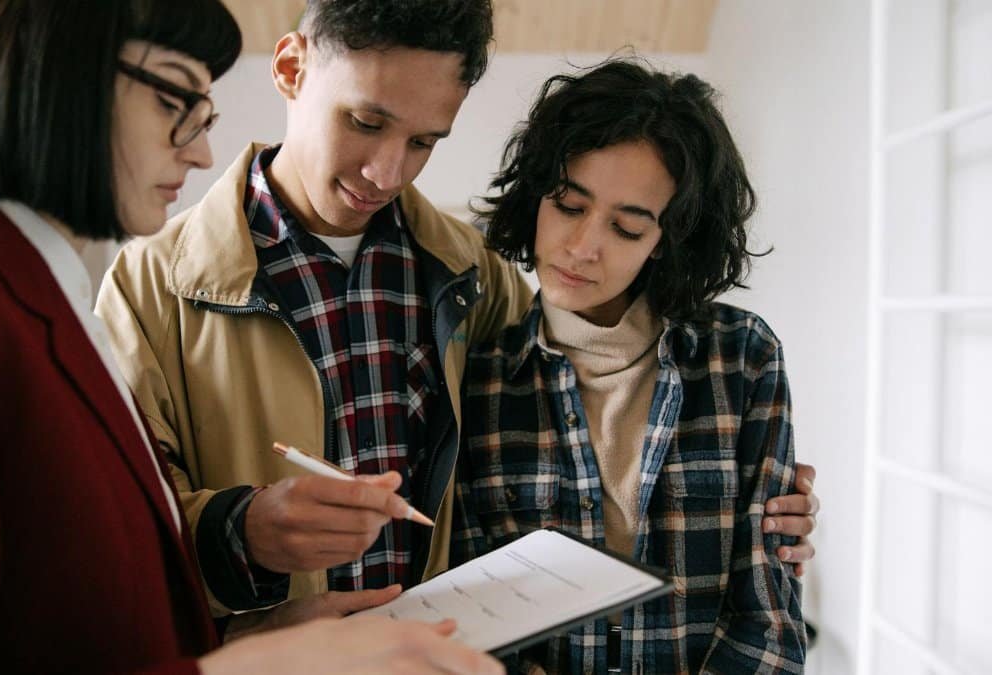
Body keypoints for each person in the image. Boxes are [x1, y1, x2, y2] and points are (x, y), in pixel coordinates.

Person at [0, 1, 504, 673]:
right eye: (172, 102)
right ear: (57, 76)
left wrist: (258, 642)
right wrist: (247, 658)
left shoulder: (49, 307)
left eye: (422, 142)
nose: (199, 151)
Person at [96, 0, 820, 617]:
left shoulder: (473, 276)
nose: (388, 172)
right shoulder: (146, 291)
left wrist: (748, 491)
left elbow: (571, 439)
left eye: (423, 141)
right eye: (366, 122)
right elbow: (110, 539)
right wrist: (243, 531)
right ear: (290, 69)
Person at [450, 59, 808, 673]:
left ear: (665, 239)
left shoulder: (742, 356)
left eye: (626, 227)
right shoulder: (480, 379)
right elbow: (474, 614)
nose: (583, 248)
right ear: (537, 193)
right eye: (568, 205)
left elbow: (767, 614)